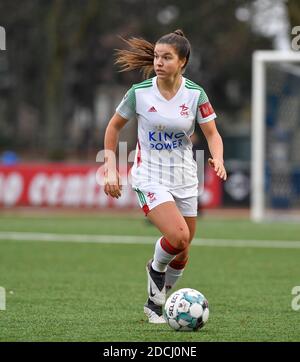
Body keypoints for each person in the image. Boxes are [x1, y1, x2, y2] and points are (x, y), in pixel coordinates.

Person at [103, 29, 227, 324]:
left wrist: (218, 158)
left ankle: (154, 300)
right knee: (178, 236)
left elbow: (212, 133)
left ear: (182, 61)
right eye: (157, 56)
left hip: (185, 178)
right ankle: (155, 282)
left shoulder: (195, 93)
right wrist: (110, 166)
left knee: (182, 253)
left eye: (166, 57)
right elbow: (112, 129)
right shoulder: (140, 92)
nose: (158, 62)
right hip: (150, 176)